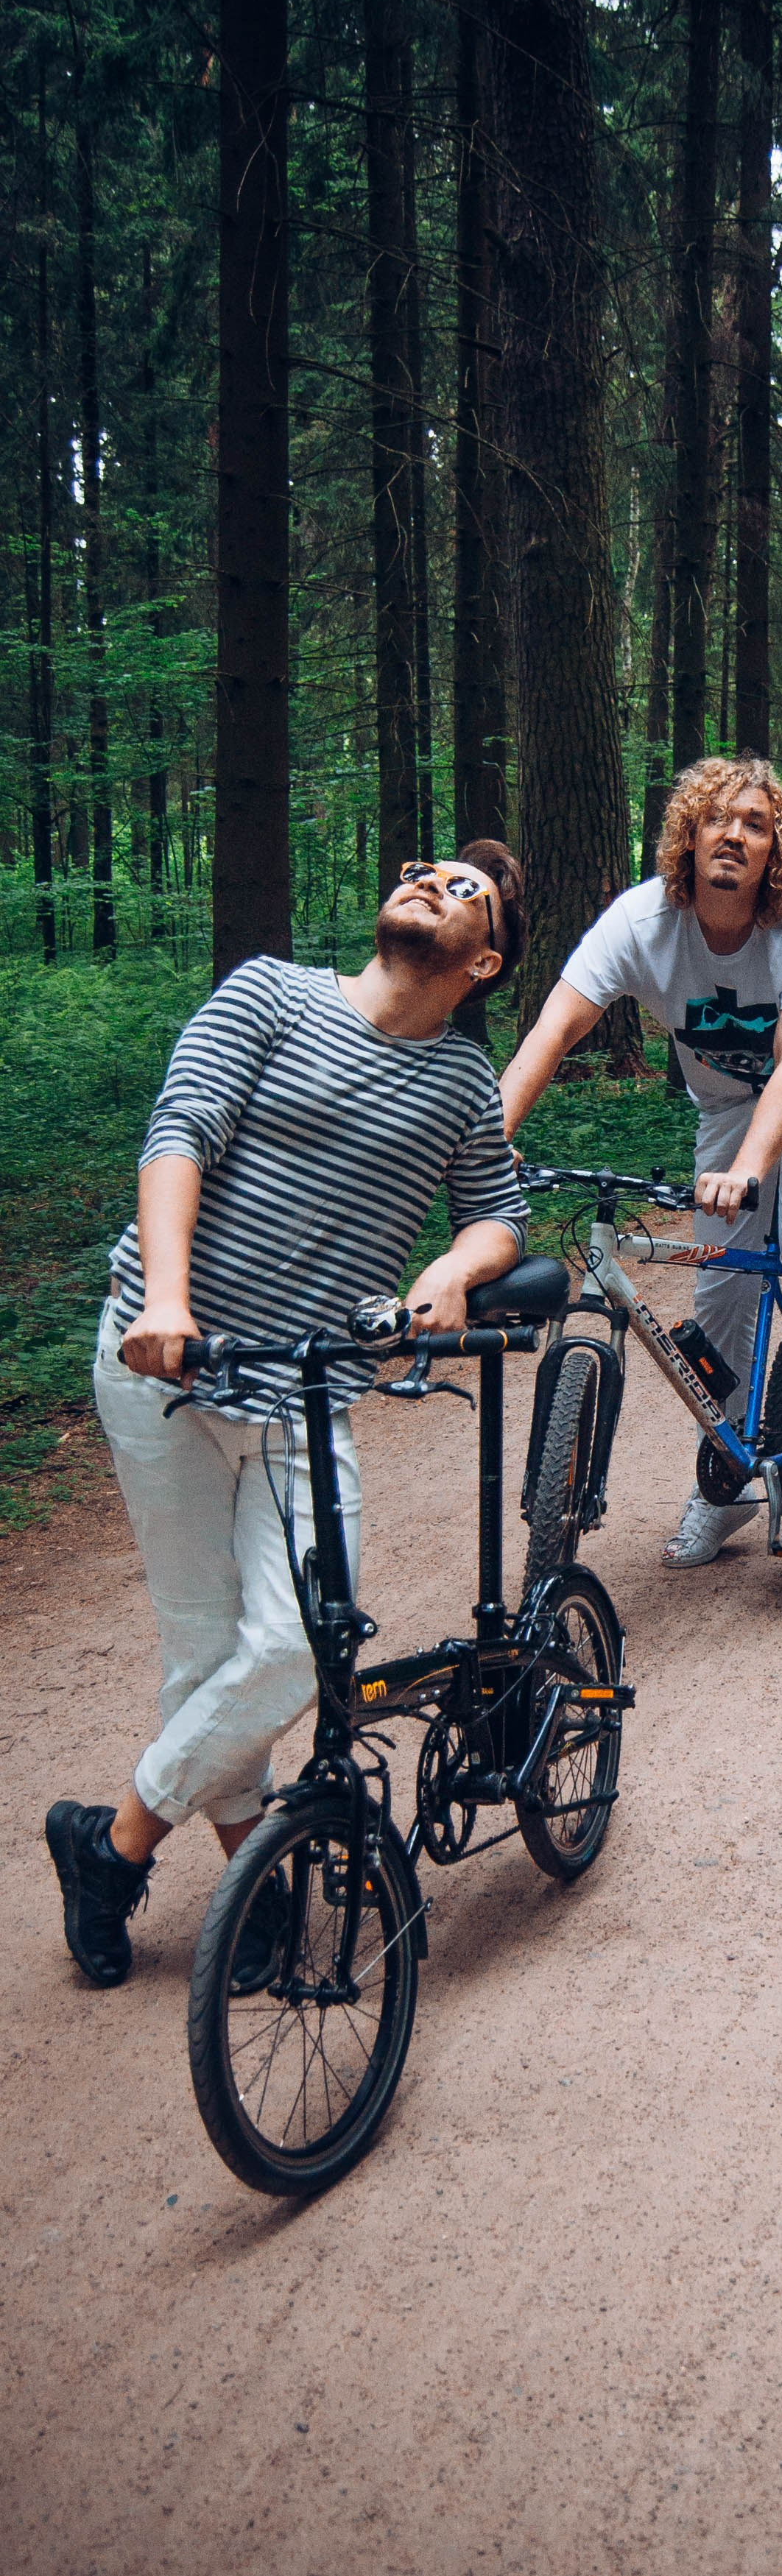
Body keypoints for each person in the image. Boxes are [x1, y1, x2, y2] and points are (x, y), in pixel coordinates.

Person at [46, 847, 532, 1991]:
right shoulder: (270, 993)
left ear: (486, 960)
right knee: (207, 1649)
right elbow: (181, 1135)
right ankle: (250, 1883)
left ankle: (109, 1845)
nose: (429, 882)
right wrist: (166, 1298)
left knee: (302, 1643)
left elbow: (499, 1214)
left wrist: (454, 1271)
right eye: (423, 868)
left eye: (464, 889)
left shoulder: (463, 1082)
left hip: (306, 1395)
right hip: (166, 1368)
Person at [499, 755, 782, 1565]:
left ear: (774, 851)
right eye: (719, 818)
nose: (735, 836)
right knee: (721, 1284)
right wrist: (485, 1143)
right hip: (724, 1101)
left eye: (756, 825)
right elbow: (552, 1032)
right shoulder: (639, 923)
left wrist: (748, 1170)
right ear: (688, 833)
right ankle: (728, 1484)